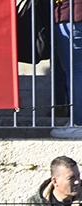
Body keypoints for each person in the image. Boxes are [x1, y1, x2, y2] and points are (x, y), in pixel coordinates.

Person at [51, 1, 82, 138]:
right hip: (72, 14)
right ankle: (76, 121)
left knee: (75, 70)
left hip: (72, 15)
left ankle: (78, 122)